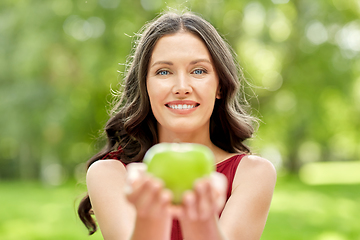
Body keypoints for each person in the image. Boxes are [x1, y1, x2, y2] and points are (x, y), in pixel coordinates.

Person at [78, 10, 276, 240]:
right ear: (145, 86)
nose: (182, 87)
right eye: (164, 71)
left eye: (198, 70)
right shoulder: (110, 175)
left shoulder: (253, 174)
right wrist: (150, 216)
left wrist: (201, 219)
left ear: (220, 86)